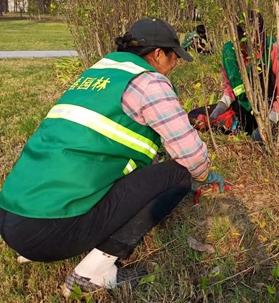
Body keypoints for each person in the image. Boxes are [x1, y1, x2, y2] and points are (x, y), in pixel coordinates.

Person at [0, 17, 226, 295]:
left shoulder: (97, 74)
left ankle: (37, 247)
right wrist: (203, 174)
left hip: (12, 218)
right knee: (177, 175)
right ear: (157, 54)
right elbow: (190, 155)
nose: (175, 64)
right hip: (47, 232)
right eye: (173, 56)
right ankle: (93, 275)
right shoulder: (149, 81)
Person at [189, 11, 279, 142]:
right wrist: (216, 114)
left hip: (274, 110)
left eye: (252, 42)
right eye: (242, 42)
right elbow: (230, 88)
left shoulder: (274, 50)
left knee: (257, 139)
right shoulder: (230, 52)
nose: (246, 47)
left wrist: (271, 121)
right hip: (246, 109)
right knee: (194, 116)